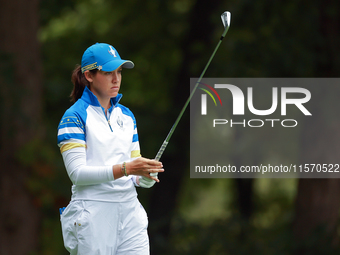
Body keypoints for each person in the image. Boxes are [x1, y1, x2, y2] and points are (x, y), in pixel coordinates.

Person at [57, 42, 164, 254]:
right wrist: (127, 169)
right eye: (108, 73)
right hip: (93, 212)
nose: (116, 79)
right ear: (89, 75)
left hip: (130, 212)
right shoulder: (74, 117)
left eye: (119, 72)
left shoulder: (127, 116)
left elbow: (134, 173)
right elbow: (77, 174)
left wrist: (145, 176)